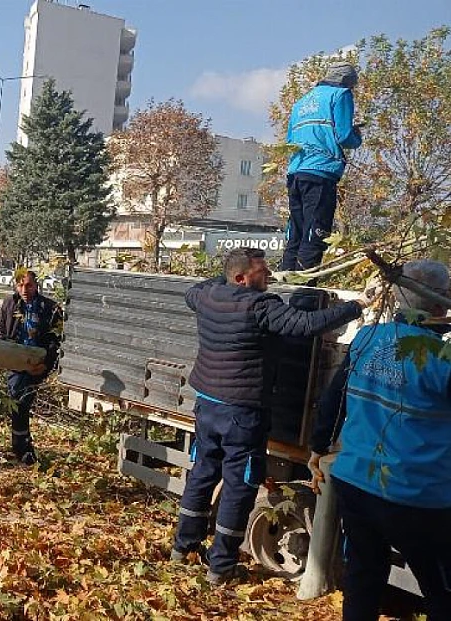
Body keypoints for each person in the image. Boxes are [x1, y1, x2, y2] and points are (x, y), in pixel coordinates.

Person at [170, 247, 373, 584]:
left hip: (207, 404)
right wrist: (358, 304)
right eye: (260, 270)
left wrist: (225, 277)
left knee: (202, 472)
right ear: (241, 278)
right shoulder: (260, 306)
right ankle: (220, 567)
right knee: (239, 485)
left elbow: (195, 289)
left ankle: (183, 547)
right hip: (242, 412)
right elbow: (306, 324)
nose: (268, 274)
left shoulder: (205, 296)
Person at [308, 259, 450, 621]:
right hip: (417, 494)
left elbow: (334, 398)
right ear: (440, 304)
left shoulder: (369, 339)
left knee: (364, 578)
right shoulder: (442, 361)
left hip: (357, 481)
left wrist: (319, 447)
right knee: (441, 591)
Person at [280, 62, 363, 273]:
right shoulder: (341, 94)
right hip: (321, 172)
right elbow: (344, 136)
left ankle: (284, 283)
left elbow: (289, 141)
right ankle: (304, 289)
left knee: (296, 233)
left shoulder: (301, 102)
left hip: (296, 172)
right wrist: (357, 136)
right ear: (346, 81)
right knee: (314, 235)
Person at [0, 270, 63, 465]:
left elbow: (55, 339)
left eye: (29, 285)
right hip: (15, 362)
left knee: (23, 402)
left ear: (36, 285)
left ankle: (22, 447)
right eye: (20, 285)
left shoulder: (49, 308)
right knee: (18, 402)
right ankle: (22, 447)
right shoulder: (10, 303)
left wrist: (45, 364)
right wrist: (4, 351)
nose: (24, 289)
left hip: (37, 364)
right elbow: (0, 329)